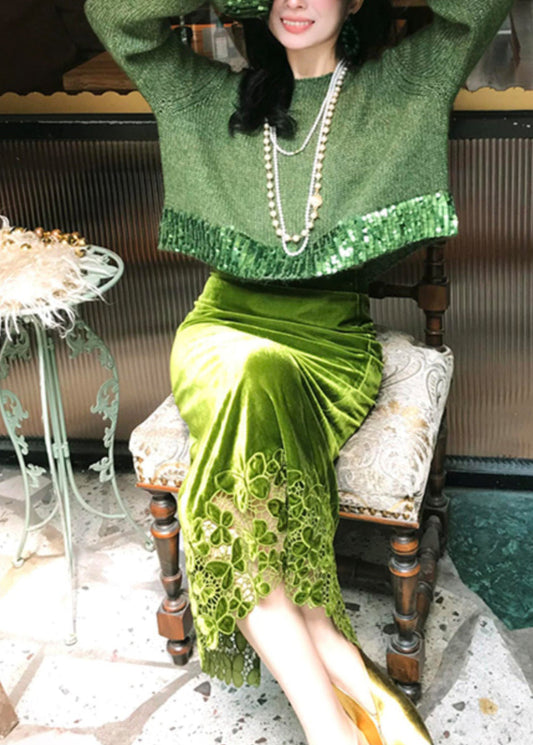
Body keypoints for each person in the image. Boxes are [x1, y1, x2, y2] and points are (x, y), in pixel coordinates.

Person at [84, 0, 514, 743]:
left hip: (328, 347)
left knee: (244, 448)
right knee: (245, 371)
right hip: (221, 333)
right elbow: (113, 15)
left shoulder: (400, 87)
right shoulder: (206, 97)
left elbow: (475, 9)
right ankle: (330, 722)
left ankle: (341, 675)